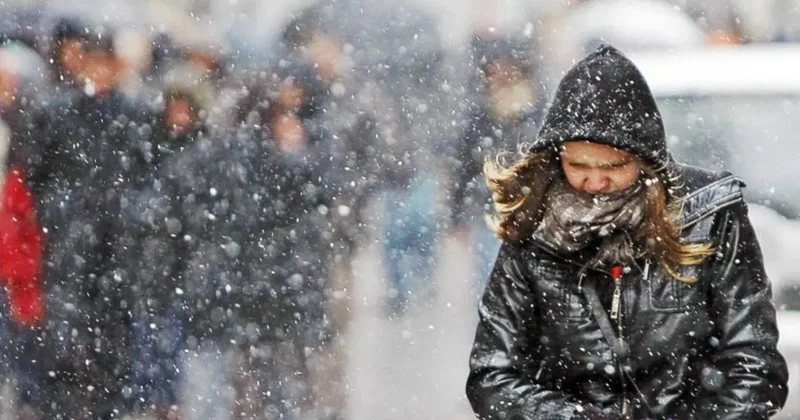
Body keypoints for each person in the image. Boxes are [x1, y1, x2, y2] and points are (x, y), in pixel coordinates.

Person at [466, 44, 788, 420]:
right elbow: (492, 376)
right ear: (558, 158)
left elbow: (754, 363)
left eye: (614, 166)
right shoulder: (534, 227)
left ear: (646, 161)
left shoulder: (709, 216)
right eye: (578, 165)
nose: (595, 182)